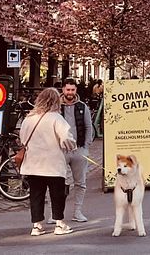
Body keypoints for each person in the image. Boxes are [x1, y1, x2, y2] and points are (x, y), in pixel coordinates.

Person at [19, 88, 77, 236]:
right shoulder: (56, 118)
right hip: (53, 163)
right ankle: (59, 223)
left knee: (36, 195)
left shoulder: (29, 118)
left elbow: (22, 138)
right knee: (57, 194)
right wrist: (71, 147)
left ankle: (37, 225)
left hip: (33, 163)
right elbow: (66, 138)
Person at [58, 78, 93, 223]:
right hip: (60, 151)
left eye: (72, 90)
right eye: (68, 90)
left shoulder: (82, 106)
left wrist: (85, 146)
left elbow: (88, 127)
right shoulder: (56, 106)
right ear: (63, 90)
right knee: (59, 183)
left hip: (78, 150)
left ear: (76, 90)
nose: (70, 93)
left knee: (80, 183)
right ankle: (57, 214)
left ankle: (77, 212)